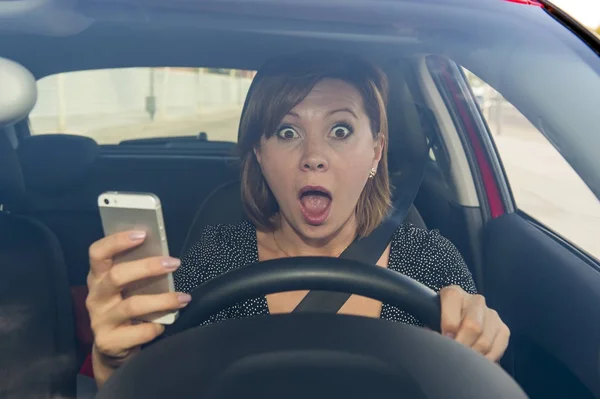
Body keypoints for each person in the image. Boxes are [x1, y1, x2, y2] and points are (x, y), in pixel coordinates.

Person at [86, 51, 510, 388]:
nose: (313, 158)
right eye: (287, 133)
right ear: (259, 154)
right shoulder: (215, 259)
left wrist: (480, 342)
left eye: (340, 130)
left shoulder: (432, 263)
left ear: (376, 152)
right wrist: (113, 367)